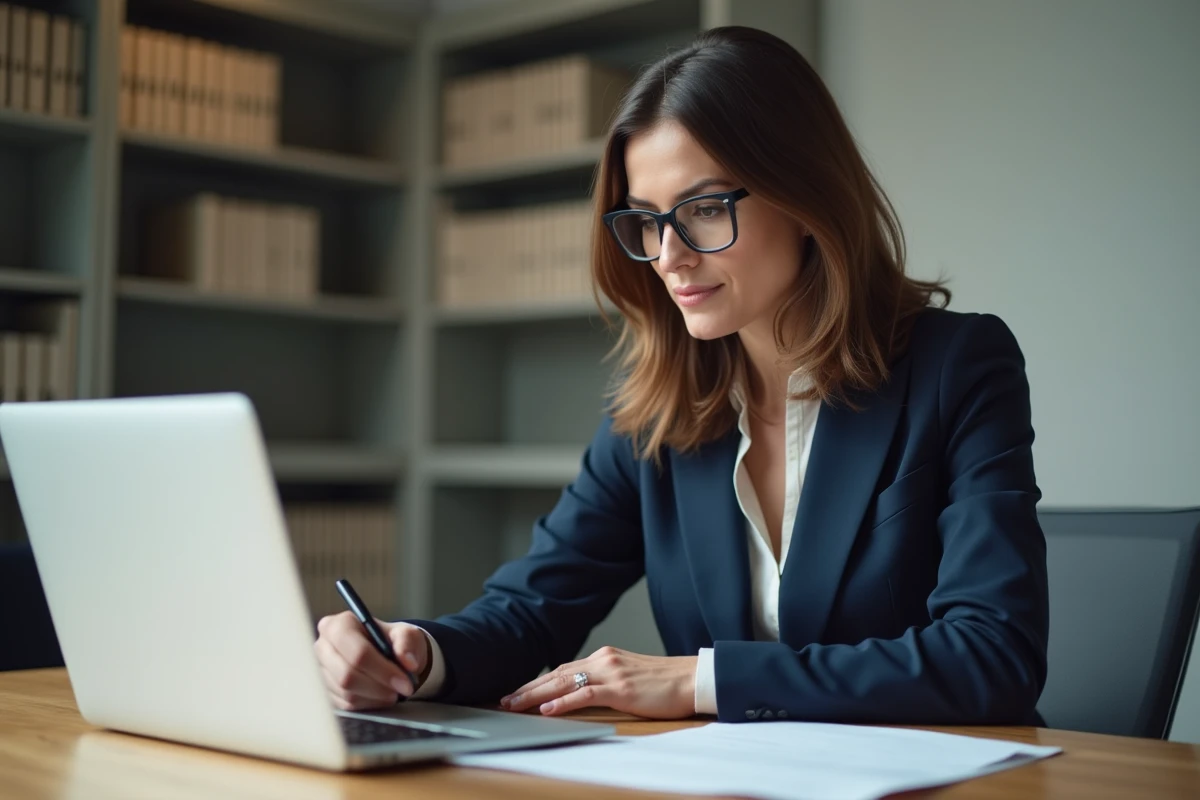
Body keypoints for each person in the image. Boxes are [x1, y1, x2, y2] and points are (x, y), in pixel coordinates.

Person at [314, 25, 1049, 725]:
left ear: (805, 198)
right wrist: (416, 653)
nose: (669, 254)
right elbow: (531, 611)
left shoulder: (958, 368)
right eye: (645, 220)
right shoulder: (657, 409)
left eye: (701, 209)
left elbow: (993, 654)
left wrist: (698, 680)